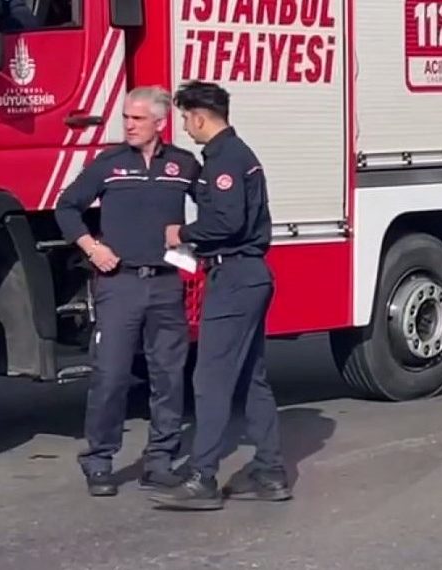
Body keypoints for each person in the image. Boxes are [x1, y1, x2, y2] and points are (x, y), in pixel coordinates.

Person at [150, 80, 289, 511]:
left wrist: (183, 233)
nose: (184, 127)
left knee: (210, 379)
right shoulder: (234, 154)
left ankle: (203, 478)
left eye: (185, 118)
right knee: (250, 377)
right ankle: (269, 473)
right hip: (248, 276)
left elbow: (228, 222)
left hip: (234, 278)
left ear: (199, 117)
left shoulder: (225, 159)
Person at [55, 86, 200, 497]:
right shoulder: (110, 164)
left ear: (160, 122)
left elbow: (214, 209)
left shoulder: (184, 165)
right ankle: (99, 461)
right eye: (126, 118)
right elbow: (67, 207)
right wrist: (92, 248)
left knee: (168, 376)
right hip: (120, 285)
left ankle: (160, 461)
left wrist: (192, 239)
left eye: (137, 119)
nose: (129, 125)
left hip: (166, 284)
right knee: (111, 375)